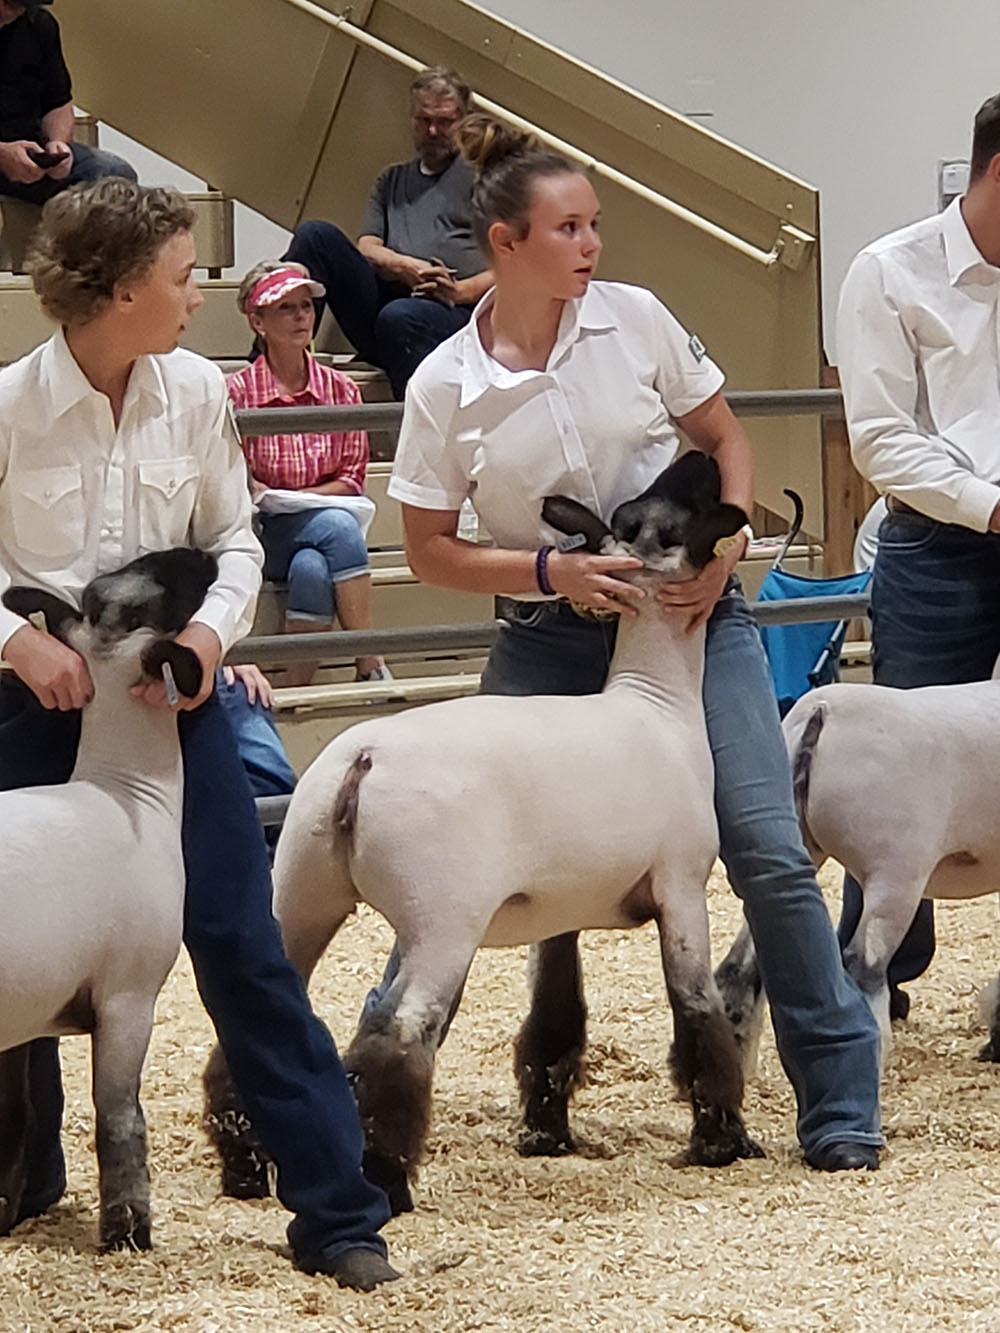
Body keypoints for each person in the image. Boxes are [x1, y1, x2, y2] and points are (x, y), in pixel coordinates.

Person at [386, 113, 884, 1172]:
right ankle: (489, 1096)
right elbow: (428, 548)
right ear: (505, 245)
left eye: (595, 225)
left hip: (691, 617)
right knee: (490, 865)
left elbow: (724, 438)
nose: (591, 246)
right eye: (568, 228)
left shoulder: (637, 320)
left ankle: (838, 1100)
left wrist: (731, 538)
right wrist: (546, 571)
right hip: (549, 632)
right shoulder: (445, 387)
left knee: (762, 841)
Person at [0, 178, 397, 1289]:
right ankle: (26, 1184)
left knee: (238, 939)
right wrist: (17, 641)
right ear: (121, 287)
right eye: (183, 276)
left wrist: (216, 642)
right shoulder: (6, 404)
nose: (198, 295)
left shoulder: (194, 396)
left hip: (173, 711)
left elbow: (232, 540)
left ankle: (336, 1211)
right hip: (33, 708)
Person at [836, 91, 1000, 1019]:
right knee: (902, 771)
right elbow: (882, 442)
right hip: (939, 546)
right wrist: (993, 506)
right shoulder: (889, 272)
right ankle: (873, 983)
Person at [227, 259, 390, 686]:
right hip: (260, 531)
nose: (302, 316)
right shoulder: (235, 393)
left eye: (306, 306)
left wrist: (300, 497)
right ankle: (370, 660)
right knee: (337, 527)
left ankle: (294, 692)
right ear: (258, 322)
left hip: (316, 525)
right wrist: (301, 498)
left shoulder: (342, 388)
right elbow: (236, 482)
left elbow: (353, 475)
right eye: (287, 308)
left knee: (314, 569)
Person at [283, 66, 494, 398]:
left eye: (445, 121)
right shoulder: (391, 180)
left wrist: (459, 291)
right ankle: (273, 370)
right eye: (424, 120)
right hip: (387, 307)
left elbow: (516, 265)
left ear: (465, 121)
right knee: (315, 236)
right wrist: (405, 266)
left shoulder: (486, 180)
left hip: (454, 316)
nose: (433, 130)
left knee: (399, 317)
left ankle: (415, 429)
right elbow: (367, 245)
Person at [0, 0, 135, 204]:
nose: (9, 10)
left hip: (30, 151)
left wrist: (58, 145)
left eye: (18, 5)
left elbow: (58, 103)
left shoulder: (39, 25)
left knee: (115, 175)